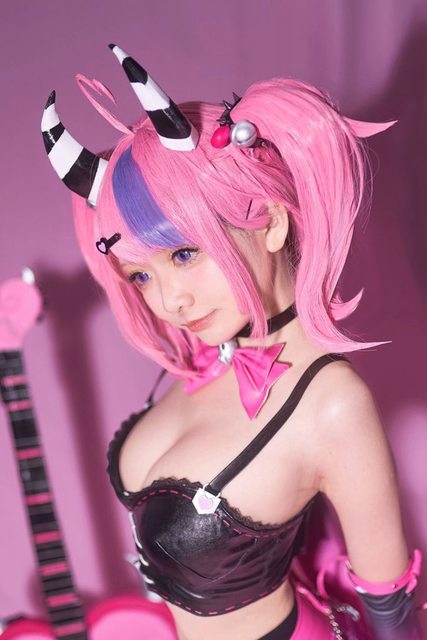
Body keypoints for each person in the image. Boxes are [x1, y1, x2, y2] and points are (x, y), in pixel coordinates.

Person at [41, 44, 423, 639]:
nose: (169, 302)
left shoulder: (331, 404)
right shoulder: (203, 360)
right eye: (141, 275)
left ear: (270, 221)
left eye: (183, 254)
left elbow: (390, 608)